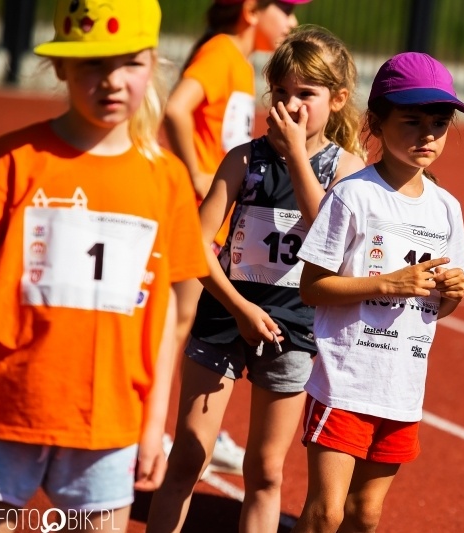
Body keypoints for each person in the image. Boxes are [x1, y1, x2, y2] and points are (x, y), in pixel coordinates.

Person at [0, 0, 208, 529]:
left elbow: (170, 313)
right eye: (94, 63)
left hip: (109, 419)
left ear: (153, 63)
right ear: (61, 66)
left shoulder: (166, 180)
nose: (112, 81)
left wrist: (155, 417)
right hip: (7, 405)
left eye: (130, 63)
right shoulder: (12, 162)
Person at [146, 25, 365, 533]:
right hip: (226, 314)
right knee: (188, 457)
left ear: (337, 100)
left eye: (305, 94)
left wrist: (295, 156)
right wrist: (241, 308)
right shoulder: (244, 159)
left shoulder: (347, 171)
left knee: (265, 471)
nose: (290, 105)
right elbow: (196, 244)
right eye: (281, 93)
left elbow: (328, 236)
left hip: (293, 327)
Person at [292, 51, 464, 533]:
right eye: (411, 121)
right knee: (326, 513)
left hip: (402, 387)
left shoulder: (446, 209)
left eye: (439, 122)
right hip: (346, 380)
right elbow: (312, 288)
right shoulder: (354, 195)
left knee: (365, 515)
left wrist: (453, 291)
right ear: (376, 121)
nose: (428, 134)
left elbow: (443, 304)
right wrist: (387, 283)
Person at [163, 0, 312, 475]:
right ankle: (154, 433)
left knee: (183, 321)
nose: (292, 21)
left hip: (220, 210)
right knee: (179, 324)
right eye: (285, 9)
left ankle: (164, 433)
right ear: (251, 9)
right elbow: (176, 108)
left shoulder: (238, 61)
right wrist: (197, 172)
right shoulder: (223, 53)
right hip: (203, 208)